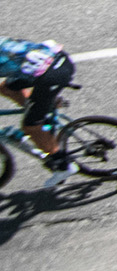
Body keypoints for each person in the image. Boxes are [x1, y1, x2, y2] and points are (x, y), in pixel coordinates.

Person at [0, 37, 74, 171]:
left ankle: (62, 164)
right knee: (6, 88)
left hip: (50, 76)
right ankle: (41, 111)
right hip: (59, 59)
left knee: (30, 127)